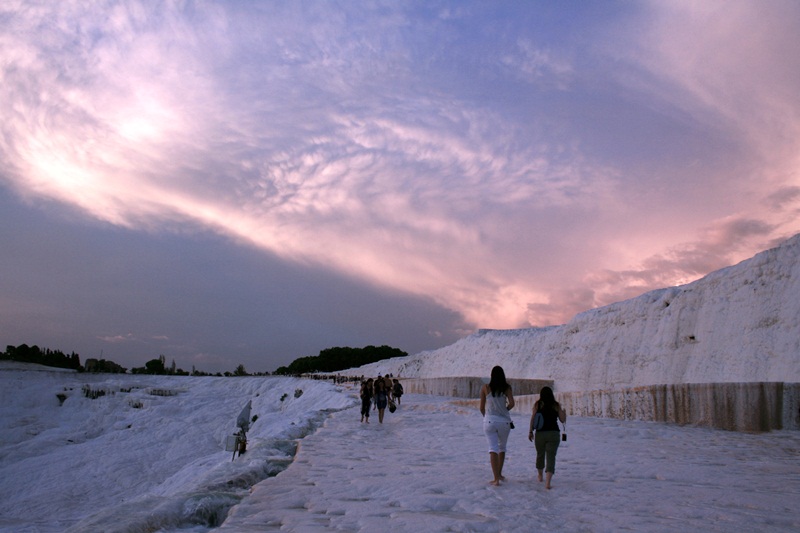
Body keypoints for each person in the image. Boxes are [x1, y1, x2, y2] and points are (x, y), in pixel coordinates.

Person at [479, 365, 515, 486]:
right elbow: (512, 403)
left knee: (492, 449)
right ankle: (499, 474)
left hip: (489, 421)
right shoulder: (507, 388)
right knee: (502, 448)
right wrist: (505, 410)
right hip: (504, 422)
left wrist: (486, 417)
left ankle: (496, 479)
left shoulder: (485, 388)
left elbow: (481, 408)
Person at [528, 386, 567, 489]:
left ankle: (540, 476)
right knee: (551, 457)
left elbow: (533, 419)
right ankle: (548, 483)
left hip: (540, 434)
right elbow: (562, 420)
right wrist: (564, 412)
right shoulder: (556, 405)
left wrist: (530, 431)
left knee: (540, 455)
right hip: (553, 434)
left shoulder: (538, 404)